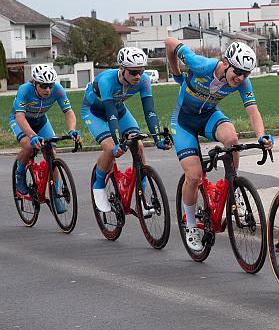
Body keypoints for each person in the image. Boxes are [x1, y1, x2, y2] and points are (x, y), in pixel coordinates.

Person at [165, 37, 273, 253]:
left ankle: (234, 188)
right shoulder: (200, 64)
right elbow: (170, 43)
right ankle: (191, 225)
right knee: (194, 177)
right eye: (238, 72)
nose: (241, 77)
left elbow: (253, 112)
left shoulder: (243, 82)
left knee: (232, 140)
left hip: (208, 116)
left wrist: (262, 136)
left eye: (246, 74)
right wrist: (176, 73)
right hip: (184, 121)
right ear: (225, 63)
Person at [82, 47, 170, 213]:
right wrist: (117, 143)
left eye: (141, 71)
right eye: (133, 72)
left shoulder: (143, 81)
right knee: (110, 149)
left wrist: (158, 139)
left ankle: (141, 198)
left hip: (119, 110)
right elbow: (111, 115)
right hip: (95, 112)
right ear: (121, 69)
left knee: (139, 146)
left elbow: (150, 111)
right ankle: (99, 185)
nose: (138, 76)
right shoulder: (107, 80)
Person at [10, 64, 82, 213]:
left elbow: (68, 111)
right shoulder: (25, 90)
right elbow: (20, 116)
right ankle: (20, 173)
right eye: (43, 86)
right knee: (29, 146)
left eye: (50, 85)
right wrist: (32, 136)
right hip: (20, 120)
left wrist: (72, 130)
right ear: (34, 83)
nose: (48, 90)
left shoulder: (58, 90)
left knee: (51, 153)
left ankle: (55, 194)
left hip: (41, 120)